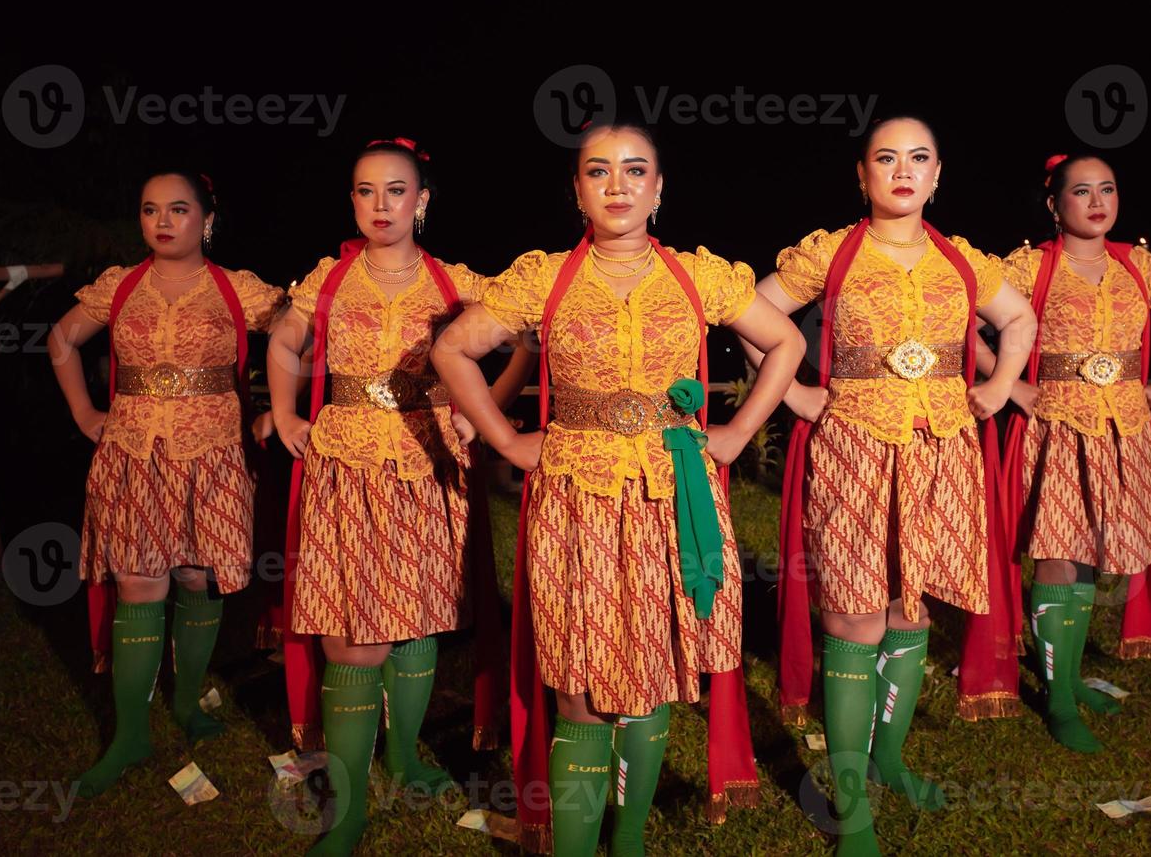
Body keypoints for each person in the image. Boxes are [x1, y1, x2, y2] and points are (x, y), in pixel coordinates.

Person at [431, 123, 804, 856]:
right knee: (577, 679)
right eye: (598, 172)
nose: (618, 185)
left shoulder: (700, 275)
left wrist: (731, 433)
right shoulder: (544, 277)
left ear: (659, 190)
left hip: (673, 492)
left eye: (635, 171)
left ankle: (628, 841)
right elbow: (453, 348)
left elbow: (785, 342)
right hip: (576, 496)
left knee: (658, 667)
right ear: (577, 191)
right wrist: (505, 439)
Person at [752, 117, 1035, 855]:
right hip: (853, 451)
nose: (902, 171)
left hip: (942, 453)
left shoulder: (963, 260)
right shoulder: (831, 252)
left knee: (911, 614)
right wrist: (794, 395)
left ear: (939, 175)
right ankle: (853, 809)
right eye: (886, 158)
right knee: (855, 619)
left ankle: (890, 761)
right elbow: (755, 314)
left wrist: (1002, 381)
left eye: (919, 158)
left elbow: (1020, 319)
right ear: (862, 174)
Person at [267, 138, 522, 856]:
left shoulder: (455, 282)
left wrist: (485, 418)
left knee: (417, 616)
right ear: (351, 200)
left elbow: (522, 343)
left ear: (423, 201)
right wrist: (286, 414)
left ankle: (405, 760)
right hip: (345, 460)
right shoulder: (331, 276)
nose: (381, 206)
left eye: (396, 191)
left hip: (426, 461)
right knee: (352, 636)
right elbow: (286, 344)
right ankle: (346, 813)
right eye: (365, 191)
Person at [49, 170, 285, 798]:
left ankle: (185, 704)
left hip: (212, 456)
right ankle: (130, 734)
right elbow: (62, 339)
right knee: (138, 581)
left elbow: (304, 341)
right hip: (133, 452)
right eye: (150, 209)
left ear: (207, 220)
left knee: (195, 575)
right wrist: (83, 414)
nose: (162, 221)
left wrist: (279, 410)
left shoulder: (239, 290)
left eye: (178, 209)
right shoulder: (120, 287)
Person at [985, 153, 1151, 753]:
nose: (1096, 201)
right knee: (1058, 554)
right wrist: (1012, 384)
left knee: (1090, 555)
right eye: (1080, 191)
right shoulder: (1028, 265)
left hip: (1122, 429)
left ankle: (1068, 677)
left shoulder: (1138, 266)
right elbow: (960, 323)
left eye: (1106, 189)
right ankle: (1058, 702)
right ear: (1054, 204)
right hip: (1055, 424)